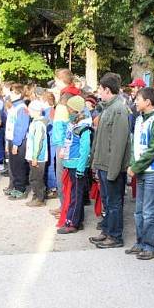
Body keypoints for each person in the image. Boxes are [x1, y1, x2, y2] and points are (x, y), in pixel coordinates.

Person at [88, 73, 132, 249]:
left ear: (107, 90)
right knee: (107, 201)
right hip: (103, 165)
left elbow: (119, 144)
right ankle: (107, 231)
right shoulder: (107, 108)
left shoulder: (118, 110)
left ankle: (115, 236)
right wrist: (95, 163)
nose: (98, 91)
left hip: (112, 167)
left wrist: (113, 171)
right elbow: (100, 140)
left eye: (100, 88)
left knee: (114, 203)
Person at [125, 87, 154, 260]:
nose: (135, 101)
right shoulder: (140, 119)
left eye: (138, 99)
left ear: (148, 102)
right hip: (141, 169)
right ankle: (141, 242)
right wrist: (132, 163)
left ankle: (151, 246)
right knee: (139, 210)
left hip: (153, 171)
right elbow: (135, 144)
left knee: (150, 211)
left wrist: (136, 166)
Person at [57, 96, 93, 234]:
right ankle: (79, 219)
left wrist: (80, 168)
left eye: (70, 109)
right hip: (71, 163)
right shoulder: (73, 124)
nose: (68, 111)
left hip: (77, 164)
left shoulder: (83, 127)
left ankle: (72, 222)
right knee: (74, 193)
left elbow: (85, 149)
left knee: (76, 195)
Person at [8, 85, 31, 199]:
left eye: (12, 93)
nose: (9, 95)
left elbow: (21, 127)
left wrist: (16, 143)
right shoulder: (14, 107)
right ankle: (15, 186)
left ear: (18, 94)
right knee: (13, 165)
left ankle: (20, 188)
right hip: (12, 139)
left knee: (19, 165)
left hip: (19, 141)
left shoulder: (22, 108)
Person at [25, 100, 49, 207]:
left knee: (37, 178)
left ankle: (40, 198)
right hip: (33, 156)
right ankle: (36, 196)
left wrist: (35, 157)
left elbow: (38, 141)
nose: (28, 112)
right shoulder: (35, 122)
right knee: (33, 177)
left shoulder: (39, 124)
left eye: (30, 110)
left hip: (38, 157)